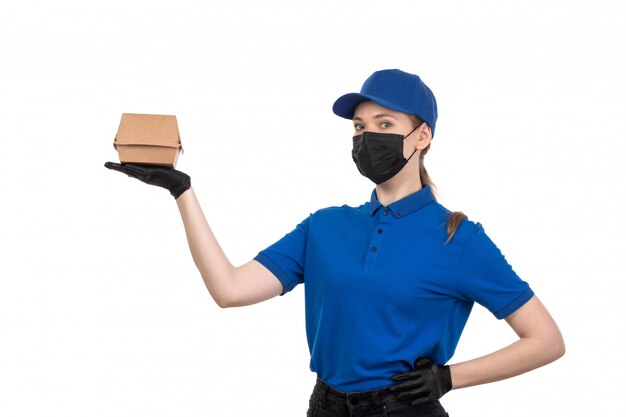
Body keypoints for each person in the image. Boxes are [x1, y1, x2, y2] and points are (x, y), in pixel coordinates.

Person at [105, 69, 565, 417]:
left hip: (403, 410)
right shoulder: (324, 227)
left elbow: (545, 340)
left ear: (422, 136)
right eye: (360, 128)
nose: (367, 138)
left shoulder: (459, 238)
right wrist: (182, 191)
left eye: (385, 124)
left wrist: (448, 378)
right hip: (325, 406)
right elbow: (229, 290)